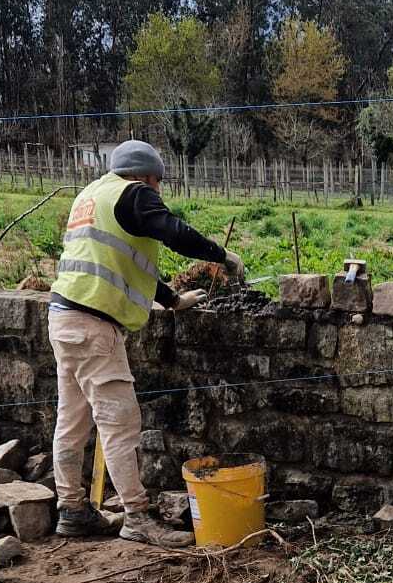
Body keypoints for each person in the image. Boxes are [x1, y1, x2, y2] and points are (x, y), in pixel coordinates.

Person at [48, 138, 245, 546]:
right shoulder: (133, 194)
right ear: (147, 177)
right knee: (120, 423)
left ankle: (71, 509)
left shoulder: (91, 196)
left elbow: (121, 263)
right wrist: (222, 256)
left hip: (64, 318)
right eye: (158, 183)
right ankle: (136, 517)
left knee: (72, 421)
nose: (157, 192)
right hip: (93, 326)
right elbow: (173, 232)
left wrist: (172, 299)